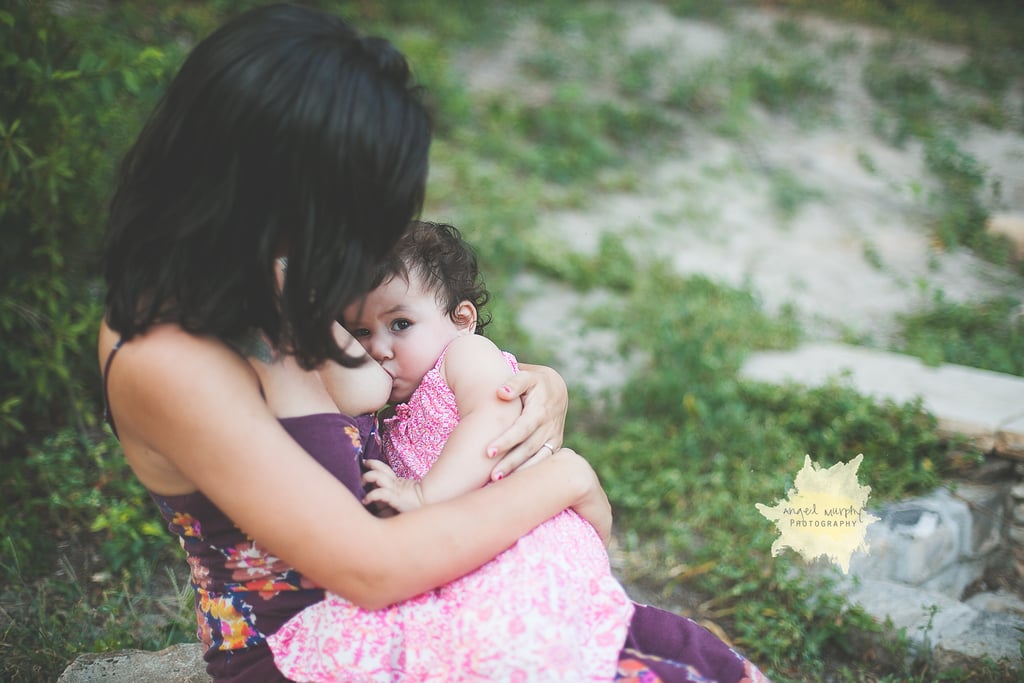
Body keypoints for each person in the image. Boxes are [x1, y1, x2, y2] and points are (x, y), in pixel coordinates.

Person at [97, 4, 770, 682]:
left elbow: (401, 377)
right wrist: (565, 477)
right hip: (313, 648)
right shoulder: (167, 357)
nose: (361, 240)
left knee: (666, 646)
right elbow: (370, 566)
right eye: (354, 209)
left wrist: (530, 383)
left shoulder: (264, 274)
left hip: (407, 600)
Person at [267, 221, 636, 681]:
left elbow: (490, 419)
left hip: (529, 537)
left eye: (400, 324)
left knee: (519, 637)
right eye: (360, 332)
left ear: (461, 320)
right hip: (479, 536)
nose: (379, 348)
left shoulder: (467, 356)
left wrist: (423, 495)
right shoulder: (398, 404)